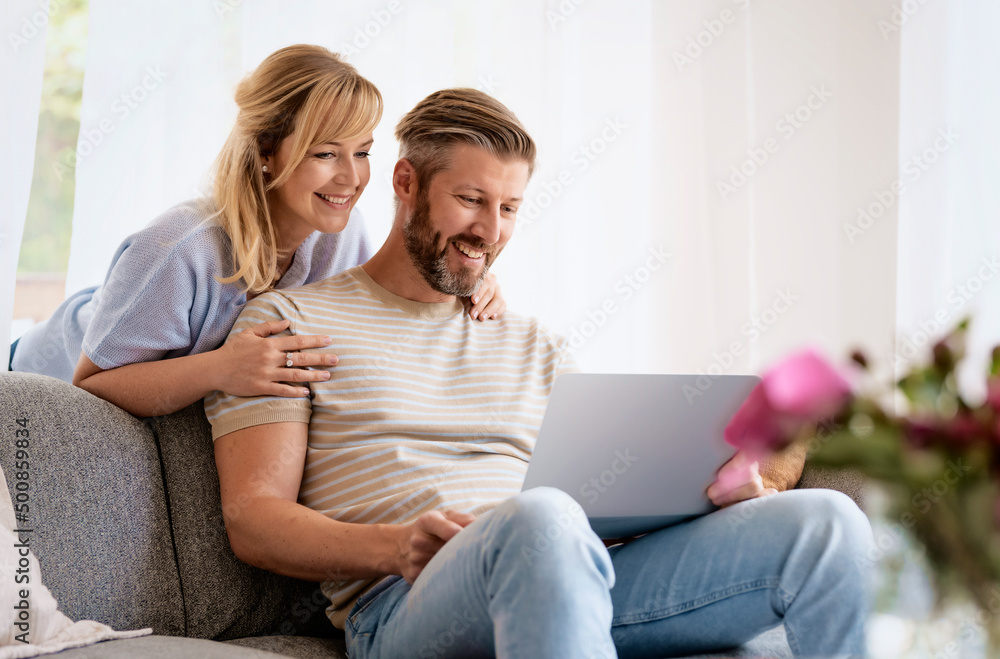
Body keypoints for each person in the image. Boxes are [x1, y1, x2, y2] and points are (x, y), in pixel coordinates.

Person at [206, 88, 872, 658]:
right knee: (543, 518)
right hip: (406, 603)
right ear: (405, 182)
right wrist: (392, 544)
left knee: (827, 523)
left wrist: (700, 504)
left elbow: (590, 507)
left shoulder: (535, 343)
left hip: (574, 570)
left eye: (510, 208)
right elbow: (254, 518)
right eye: (471, 199)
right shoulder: (289, 322)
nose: (489, 231)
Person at [8, 45, 505, 417]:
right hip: (33, 382)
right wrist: (221, 368)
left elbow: (379, 302)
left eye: (363, 152)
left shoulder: (341, 233)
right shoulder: (179, 249)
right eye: (325, 153)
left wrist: (467, 278)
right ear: (266, 152)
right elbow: (92, 385)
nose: (352, 178)